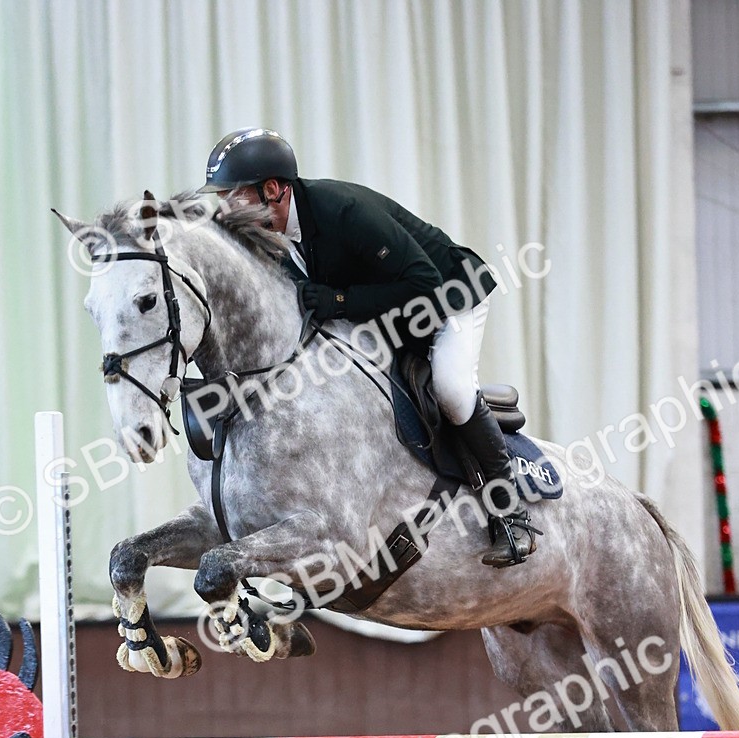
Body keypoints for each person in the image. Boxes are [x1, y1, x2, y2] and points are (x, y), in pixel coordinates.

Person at [199, 127, 538, 567]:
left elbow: (424, 283)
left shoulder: (342, 211)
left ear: (274, 189)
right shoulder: (267, 233)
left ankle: (510, 510)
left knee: (452, 390)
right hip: (389, 312)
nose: (225, 209)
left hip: (449, 296)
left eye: (233, 196)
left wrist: (339, 301)